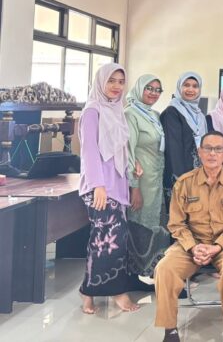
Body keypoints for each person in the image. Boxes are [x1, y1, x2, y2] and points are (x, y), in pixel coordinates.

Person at [154, 131, 223, 342]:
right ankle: (170, 331)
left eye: (218, 149)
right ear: (200, 152)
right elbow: (176, 223)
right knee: (164, 268)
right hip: (192, 244)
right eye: (208, 148)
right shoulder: (184, 183)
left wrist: (217, 246)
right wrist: (192, 247)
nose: (212, 153)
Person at [78, 63, 139, 314]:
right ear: (100, 82)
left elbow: (120, 149)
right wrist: (98, 186)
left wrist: (133, 168)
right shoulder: (92, 111)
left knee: (109, 241)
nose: (116, 86)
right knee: (106, 242)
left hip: (117, 185)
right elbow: (89, 151)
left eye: (121, 82)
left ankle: (88, 292)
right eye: (111, 80)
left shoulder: (117, 110)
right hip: (101, 187)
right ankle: (115, 292)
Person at [125, 74, 170, 280]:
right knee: (140, 224)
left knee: (155, 223)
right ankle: (138, 273)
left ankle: (155, 273)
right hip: (141, 181)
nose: (153, 93)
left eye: (157, 90)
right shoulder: (130, 114)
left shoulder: (154, 115)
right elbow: (129, 152)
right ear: (139, 88)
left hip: (156, 178)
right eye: (149, 88)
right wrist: (134, 187)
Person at [160, 72, 207, 192]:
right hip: (179, 177)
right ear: (179, 87)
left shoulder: (200, 115)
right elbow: (173, 148)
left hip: (198, 173)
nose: (190, 89)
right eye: (186, 85)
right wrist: (181, 178)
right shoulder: (172, 112)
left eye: (195, 86)